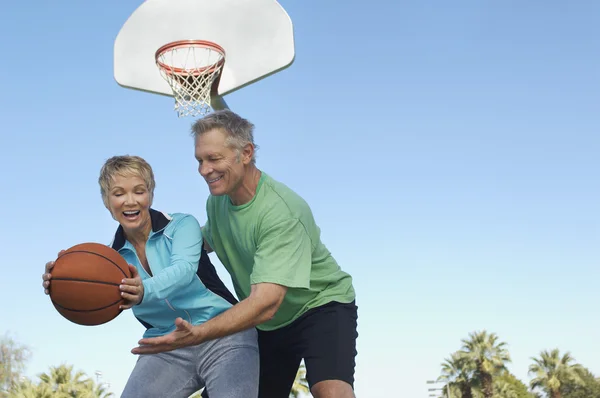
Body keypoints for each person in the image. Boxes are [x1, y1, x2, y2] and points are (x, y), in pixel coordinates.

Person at [131, 111, 359, 398]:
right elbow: (201, 243)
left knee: (331, 391)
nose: (204, 169)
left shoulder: (281, 213)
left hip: (320, 306)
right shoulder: (218, 203)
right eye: (200, 160)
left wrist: (201, 333)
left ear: (246, 153)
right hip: (266, 322)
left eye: (214, 159)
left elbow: (266, 302)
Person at [41, 155, 259, 398]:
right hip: (166, 345)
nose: (130, 201)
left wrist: (143, 290)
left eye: (139, 191)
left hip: (223, 331)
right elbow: (90, 294)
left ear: (150, 194)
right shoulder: (110, 262)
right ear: (106, 201)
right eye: (118, 193)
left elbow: (184, 270)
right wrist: (61, 280)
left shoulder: (181, 225)